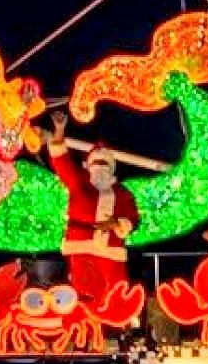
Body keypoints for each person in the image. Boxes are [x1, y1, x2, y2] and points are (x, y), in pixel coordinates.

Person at [43, 111, 139, 291]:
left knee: (116, 291)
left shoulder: (122, 193)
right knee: (83, 290)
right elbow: (60, 159)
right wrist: (60, 129)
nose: (99, 168)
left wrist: (117, 224)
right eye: (96, 164)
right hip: (81, 247)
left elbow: (133, 219)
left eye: (104, 164)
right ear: (88, 166)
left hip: (110, 249)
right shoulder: (78, 183)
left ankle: (121, 317)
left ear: (111, 168)